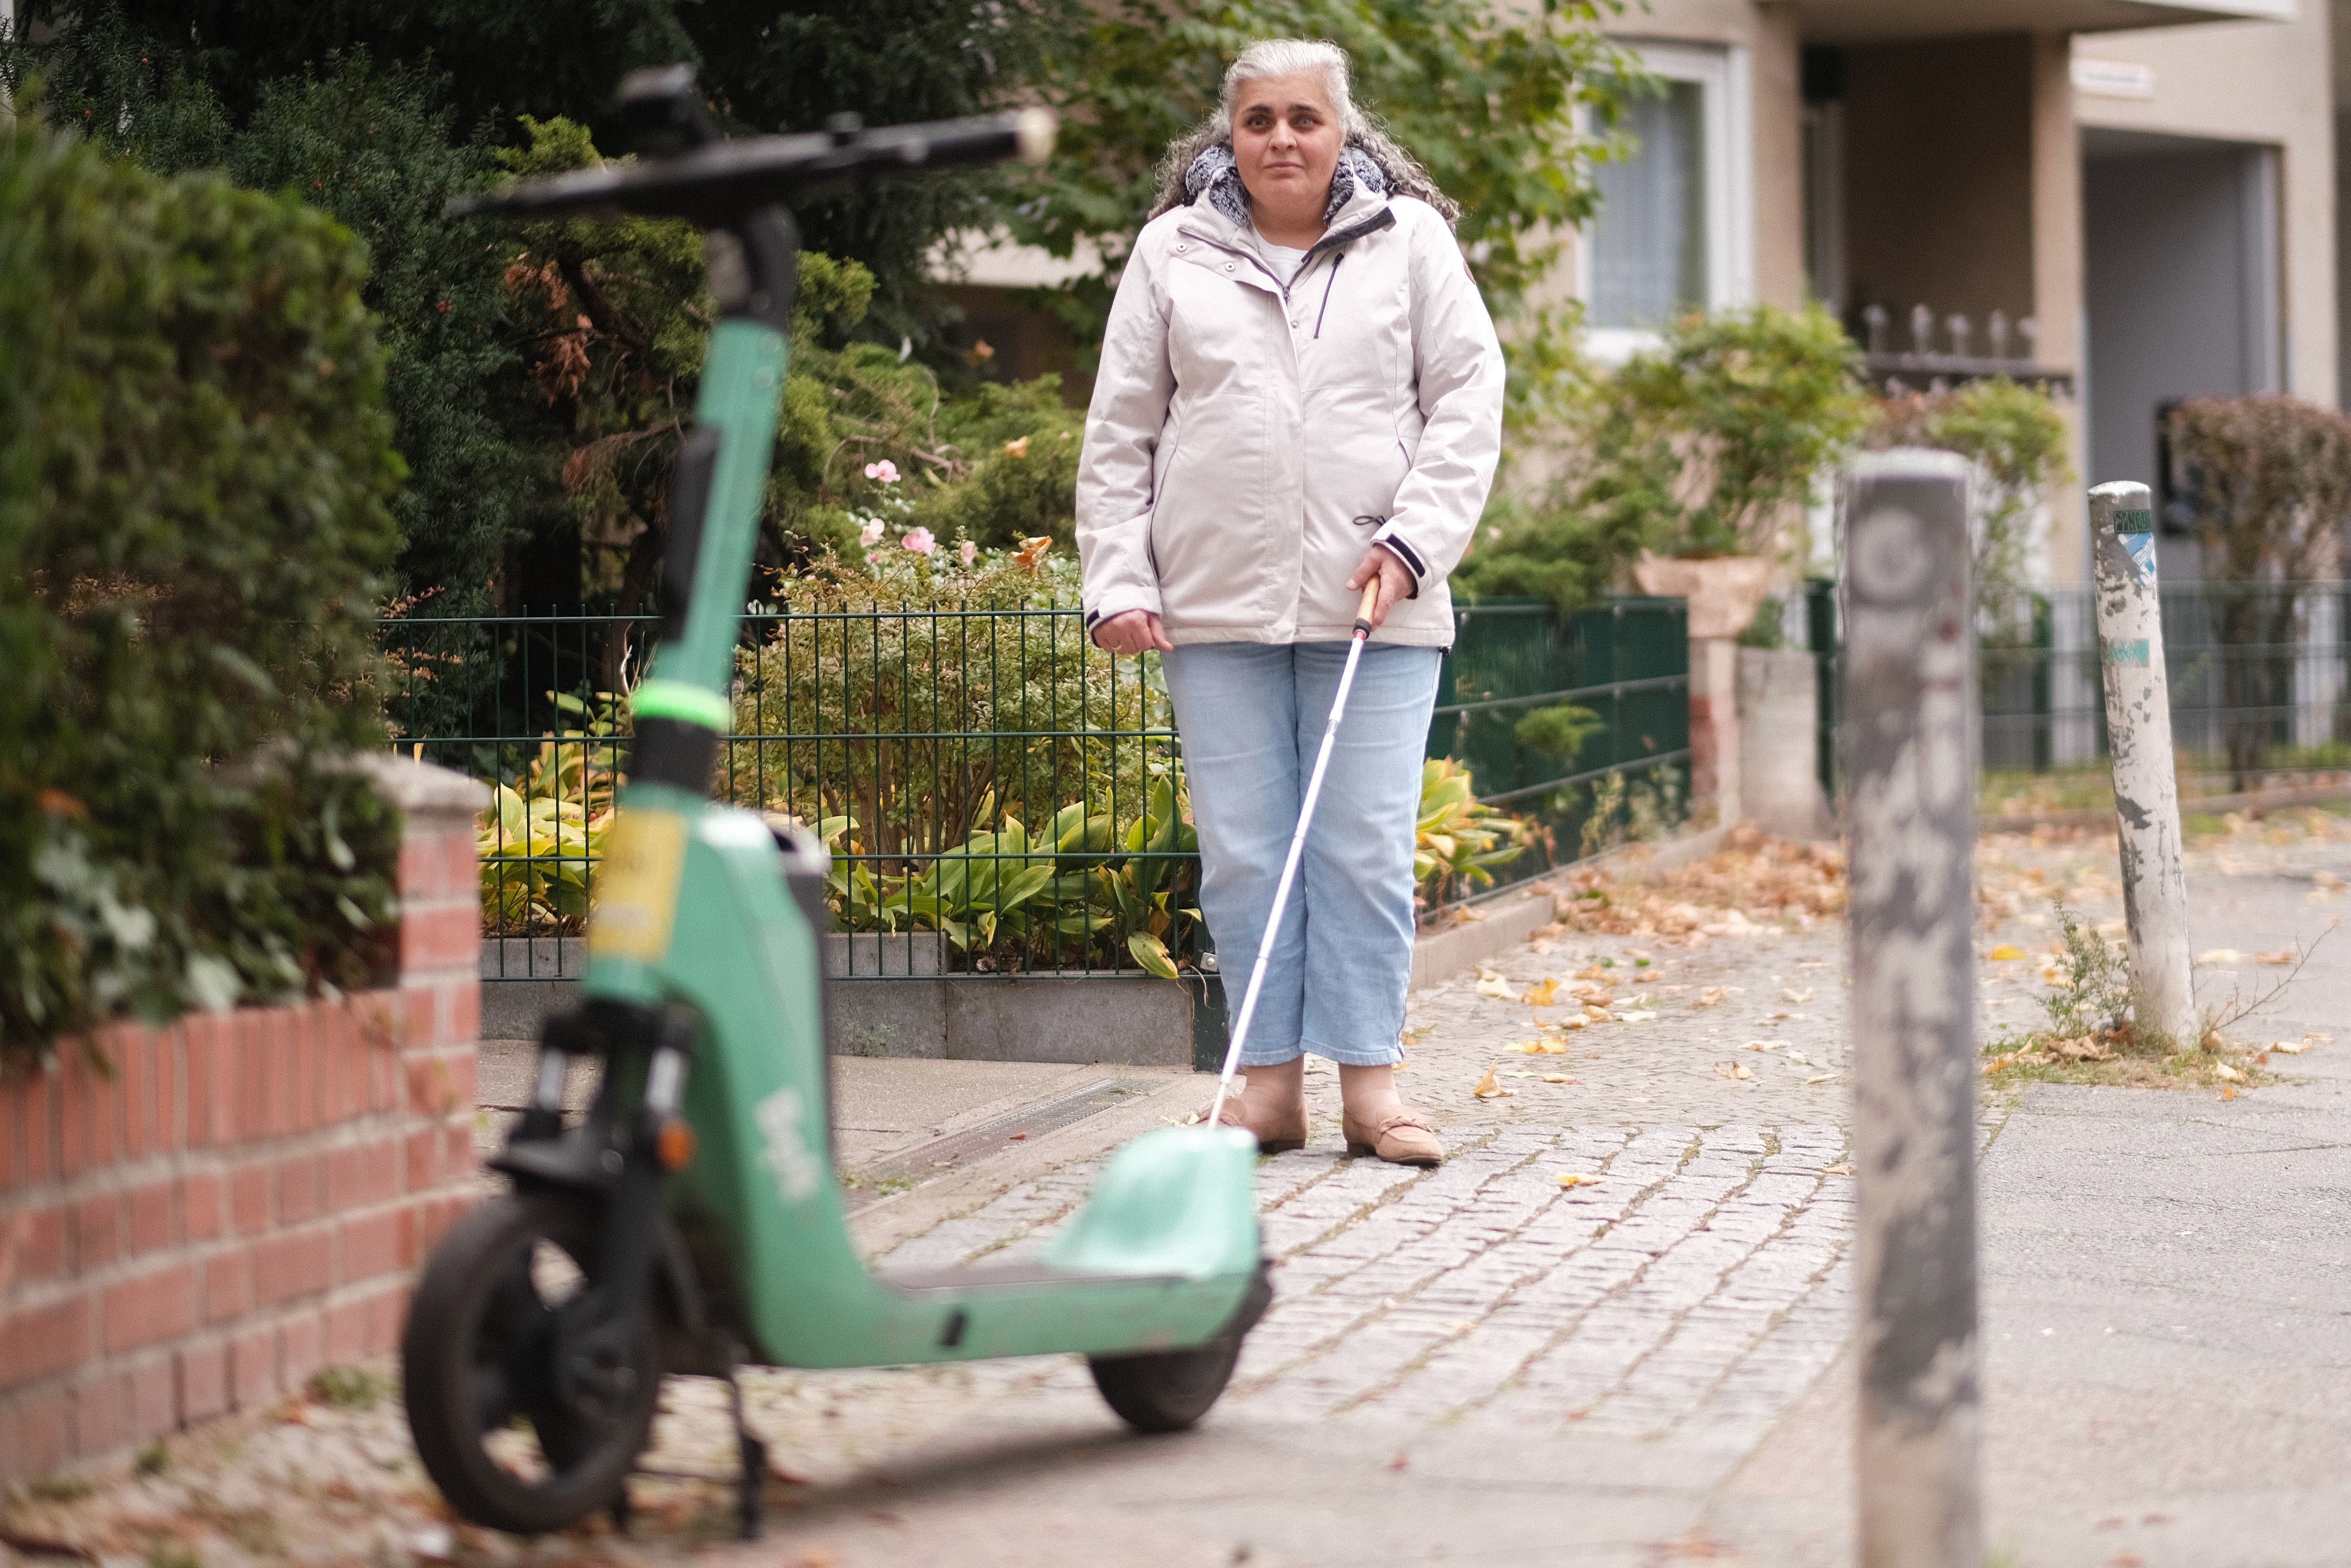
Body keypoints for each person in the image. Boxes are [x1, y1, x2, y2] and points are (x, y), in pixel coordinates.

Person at [1075, 37, 1504, 1166]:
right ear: (1229, 136)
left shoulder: (1409, 241)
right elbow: (1121, 431)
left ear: (1342, 132)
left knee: (1359, 850)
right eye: (1258, 119)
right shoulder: (1174, 249)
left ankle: (1374, 1088)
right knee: (1247, 856)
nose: (1281, 139)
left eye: (1303, 119)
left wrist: (1414, 543)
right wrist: (1118, 580)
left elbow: (1467, 399)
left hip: (1379, 602)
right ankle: (1267, 1090)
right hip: (1215, 609)